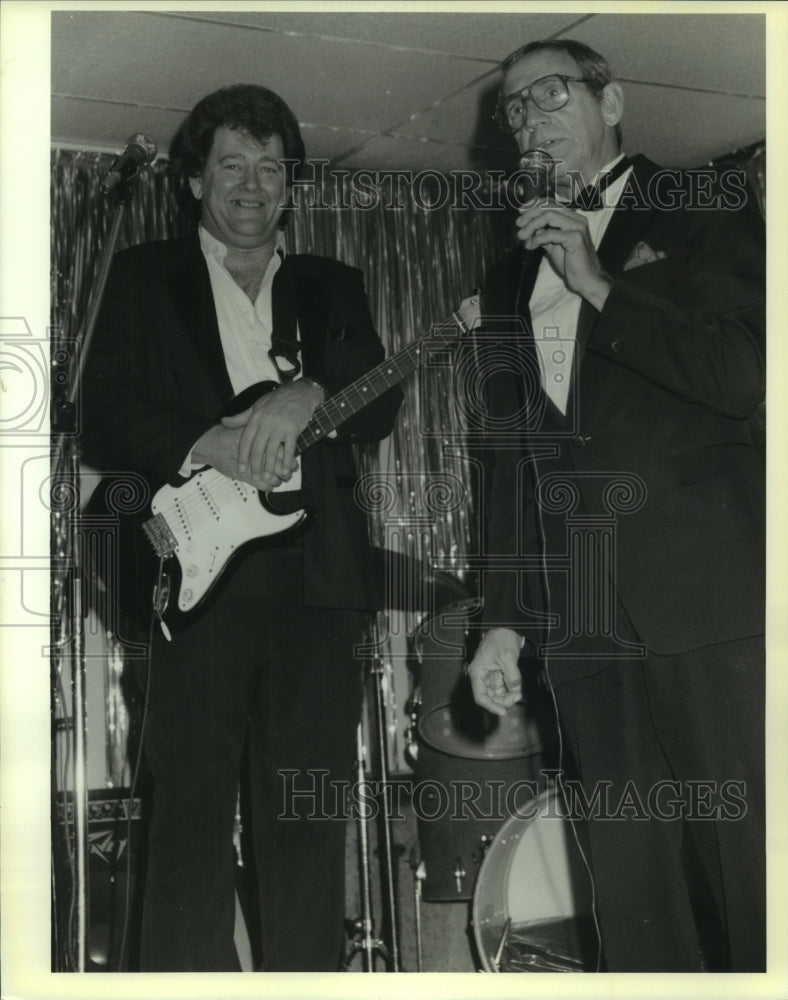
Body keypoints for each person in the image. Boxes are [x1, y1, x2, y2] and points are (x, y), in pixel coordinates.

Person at [82, 84, 402, 971]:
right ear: (193, 181)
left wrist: (308, 393)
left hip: (319, 590)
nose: (253, 186)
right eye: (232, 165)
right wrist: (210, 441)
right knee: (186, 817)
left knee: (304, 820)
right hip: (196, 579)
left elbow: (377, 409)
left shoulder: (330, 284)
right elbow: (101, 413)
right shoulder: (141, 276)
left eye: (271, 169)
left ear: (292, 185)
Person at [467, 40, 765, 972]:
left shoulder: (702, 205)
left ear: (614, 99)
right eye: (513, 110)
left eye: (549, 94)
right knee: (636, 899)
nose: (529, 119)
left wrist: (598, 280)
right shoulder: (511, 274)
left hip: (711, 602)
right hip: (586, 621)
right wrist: (505, 622)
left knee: (753, 874)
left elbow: (739, 371)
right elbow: (518, 458)